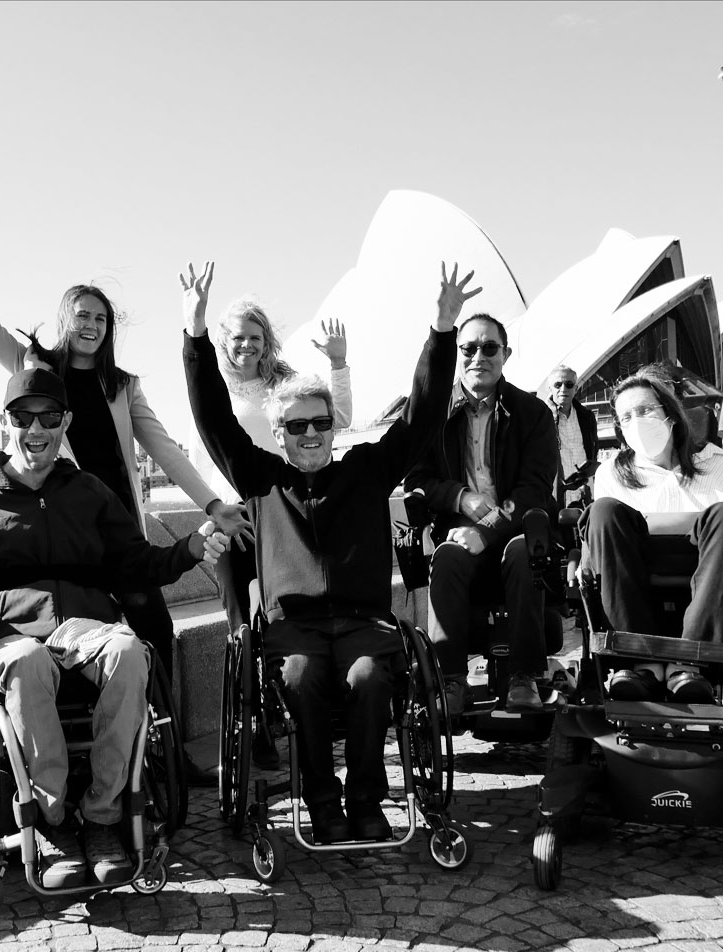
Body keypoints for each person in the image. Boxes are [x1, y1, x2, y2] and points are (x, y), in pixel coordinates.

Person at [0, 200, 250, 786]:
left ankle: (165, 757)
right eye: (82, 315)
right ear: (66, 319)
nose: (91, 325)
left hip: (113, 535)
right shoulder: (36, 370)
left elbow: (164, 449)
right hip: (47, 529)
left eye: (101, 319)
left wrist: (212, 506)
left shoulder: (121, 386)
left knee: (155, 637)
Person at [0, 368, 227, 889]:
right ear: (4, 422)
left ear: (67, 424)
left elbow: (136, 565)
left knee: (130, 650)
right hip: (9, 634)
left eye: (49, 417)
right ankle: (51, 825)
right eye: (23, 417)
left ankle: (104, 818)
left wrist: (191, 548)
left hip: (84, 626)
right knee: (27, 661)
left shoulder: (89, 492)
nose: (35, 428)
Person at [184, 259, 477, 843]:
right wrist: (194, 335)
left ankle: (366, 800)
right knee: (297, 676)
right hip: (294, 629)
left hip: (364, 621)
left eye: (319, 423)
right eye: (296, 427)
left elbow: (420, 417)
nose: (310, 434)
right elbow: (213, 418)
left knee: (371, 678)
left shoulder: (366, 472)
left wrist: (443, 332)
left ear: (334, 428)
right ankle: (322, 802)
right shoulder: (262, 479)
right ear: (281, 433)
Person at [185, 281, 353, 767]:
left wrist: (338, 364)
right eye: (237, 337)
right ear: (221, 340)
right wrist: (214, 510)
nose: (246, 345)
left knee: (288, 613)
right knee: (241, 618)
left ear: (267, 342)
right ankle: (254, 717)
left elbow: (336, 416)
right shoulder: (210, 390)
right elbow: (201, 461)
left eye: (255, 337)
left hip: (281, 512)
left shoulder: (285, 384)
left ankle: (300, 698)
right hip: (230, 516)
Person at [405, 314, 559, 716]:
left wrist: (487, 529)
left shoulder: (534, 413)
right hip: (458, 533)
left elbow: (534, 489)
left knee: (525, 554)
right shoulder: (433, 417)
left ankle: (524, 677)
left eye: (489, 347)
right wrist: (460, 498)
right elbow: (417, 480)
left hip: (515, 530)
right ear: (457, 355)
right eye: (468, 348)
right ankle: (450, 680)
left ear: (505, 354)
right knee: (448, 556)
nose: (479, 356)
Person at [580, 366, 723, 704]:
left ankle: (691, 661)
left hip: (708, 575)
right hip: (637, 576)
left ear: (671, 416)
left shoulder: (717, 464)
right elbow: (603, 538)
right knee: (602, 512)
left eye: (644, 410)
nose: (636, 422)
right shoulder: (612, 474)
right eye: (625, 417)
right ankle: (640, 662)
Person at [544, 364, 599, 506]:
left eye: (569, 385)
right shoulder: (541, 417)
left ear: (576, 389)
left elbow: (593, 452)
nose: (563, 389)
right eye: (558, 384)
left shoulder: (587, 417)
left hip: (585, 492)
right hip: (554, 494)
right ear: (550, 388)